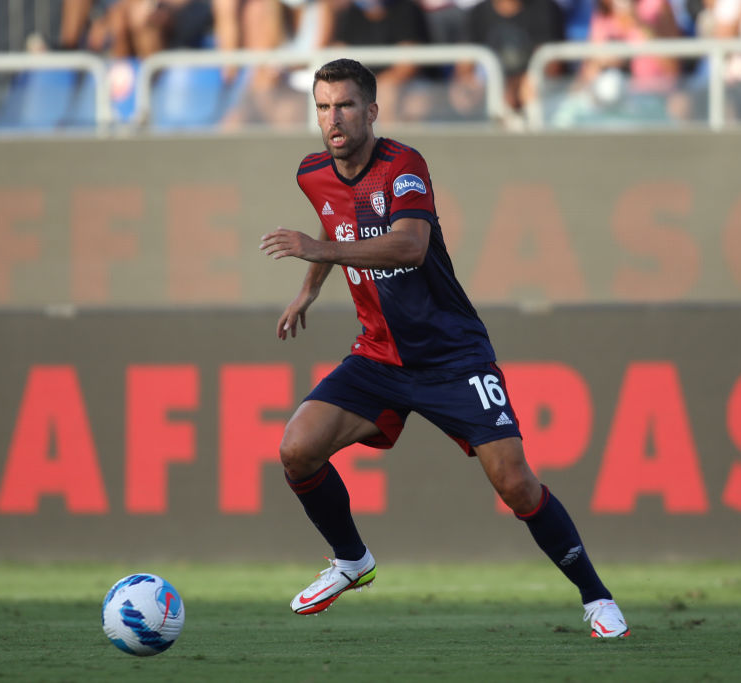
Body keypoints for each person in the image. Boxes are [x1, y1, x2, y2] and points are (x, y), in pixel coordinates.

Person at [258, 58, 631, 638]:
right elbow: (336, 233)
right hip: (378, 355)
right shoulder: (311, 173)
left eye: (346, 105)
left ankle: (596, 597)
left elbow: (408, 246)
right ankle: (352, 560)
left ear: (372, 111)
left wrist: (317, 253)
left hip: (452, 356)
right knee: (296, 450)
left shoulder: (403, 166)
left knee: (514, 482)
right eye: (323, 107)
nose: (333, 118)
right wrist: (307, 291)